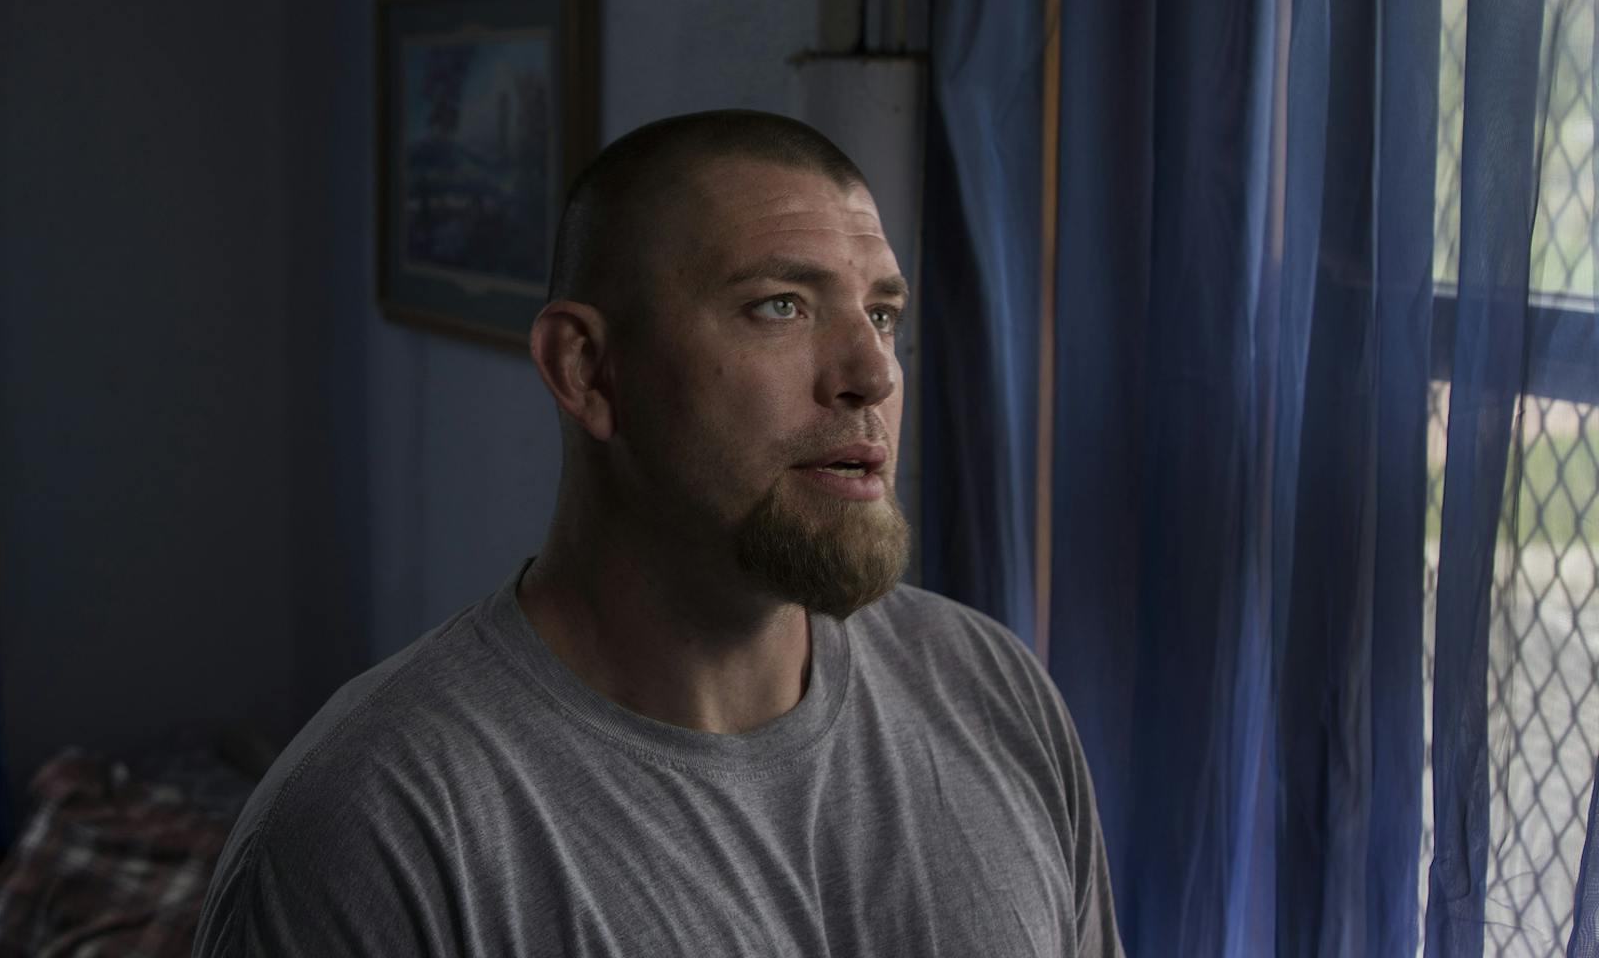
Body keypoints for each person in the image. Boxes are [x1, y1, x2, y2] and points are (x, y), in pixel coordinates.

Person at [192, 109, 1123, 957]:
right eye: (780, 306)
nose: (871, 375)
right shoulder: (378, 822)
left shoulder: (992, 690)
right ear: (586, 369)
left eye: (882, 315)